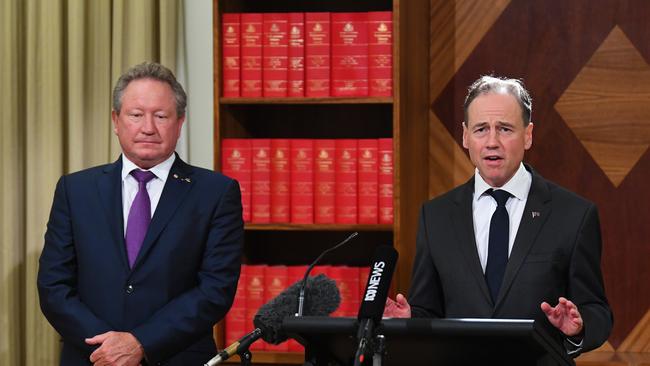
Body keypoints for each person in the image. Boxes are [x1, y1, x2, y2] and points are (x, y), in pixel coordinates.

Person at [384, 76, 612, 363]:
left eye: (504, 129)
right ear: (466, 136)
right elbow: (429, 310)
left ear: (528, 135)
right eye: (481, 129)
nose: (492, 142)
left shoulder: (574, 214)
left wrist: (577, 328)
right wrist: (410, 319)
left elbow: (597, 309)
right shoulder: (436, 216)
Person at [37, 62, 243, 365]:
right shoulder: (75, 189)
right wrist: (108, 345)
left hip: (176, 356)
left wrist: (141, 343)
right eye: (136, 115)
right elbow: (53, 286)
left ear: (180, 122)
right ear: (116, 120)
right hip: (92, 356)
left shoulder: (215, 193)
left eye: (161, 116)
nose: (148, 127)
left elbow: (215, 289)